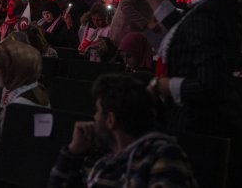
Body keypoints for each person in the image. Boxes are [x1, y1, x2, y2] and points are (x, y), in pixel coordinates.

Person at [137, 0, 242, 184]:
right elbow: (184, 27)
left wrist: (162, 85)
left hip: (200, 130)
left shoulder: (213, 13)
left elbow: (209, 85)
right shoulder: (217, 5)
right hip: (203, 126)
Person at [48, 74, 197, 188]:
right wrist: (73, 153)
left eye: (98, 112)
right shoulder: (99, 156)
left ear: (110, 120)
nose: (93, 118)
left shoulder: (163, 155)